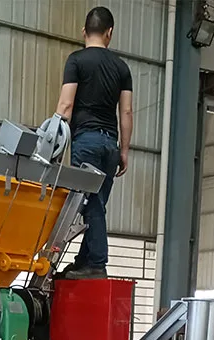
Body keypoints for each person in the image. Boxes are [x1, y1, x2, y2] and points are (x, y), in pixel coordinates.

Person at [55, 6, 133, 280]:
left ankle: (97, 263)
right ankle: (84, 260)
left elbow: (65, 106)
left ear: (83, 31)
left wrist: (53, 139)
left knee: (91, 204)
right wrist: (124, 150)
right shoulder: (121, 68)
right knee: (96, 204)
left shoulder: (76, 61)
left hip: (86, 142)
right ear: (109, 33)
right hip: (110, 144)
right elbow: (126, 112)